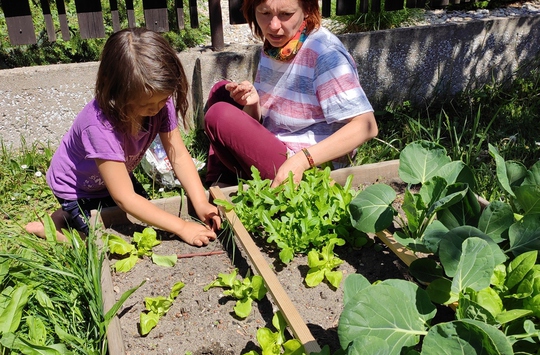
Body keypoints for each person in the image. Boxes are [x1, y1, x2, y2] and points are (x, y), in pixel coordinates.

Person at [26, 28, 220, 246]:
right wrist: (182, 226)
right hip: (77, 188)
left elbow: (178, 156)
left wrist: (201, 201)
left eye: (163, 99)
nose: (157, 108)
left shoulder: (158, 99)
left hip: (112, 179)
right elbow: (125, 198)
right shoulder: (99, 126)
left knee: (142, 217)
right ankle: (51, 228)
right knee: (102, 242)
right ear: (116, 92)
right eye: (146, 105)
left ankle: (65, 216)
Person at [204, 0, 378, 188]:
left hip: (309, 168)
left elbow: (366, 126)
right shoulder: (277, 45)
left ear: (307, 11)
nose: (274, 25)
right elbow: (267, 118)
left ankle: (224, 185)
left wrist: (302, 161)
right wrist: (253, 103)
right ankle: (221, 181)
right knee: (221, 92)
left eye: (286, 14)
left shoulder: (325, 55)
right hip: (278, 143)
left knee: (220, 115)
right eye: (264, 13)